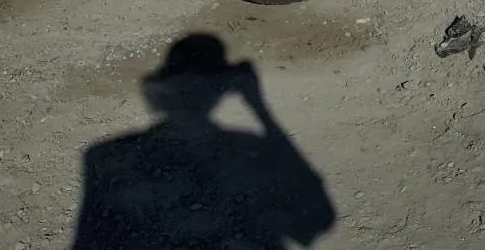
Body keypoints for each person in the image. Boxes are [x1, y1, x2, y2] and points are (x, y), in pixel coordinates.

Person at [70, 34, 335, 249]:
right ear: (222, 90)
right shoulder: (248, 152)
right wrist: (258, 107)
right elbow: (315, 219)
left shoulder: (107, 157)